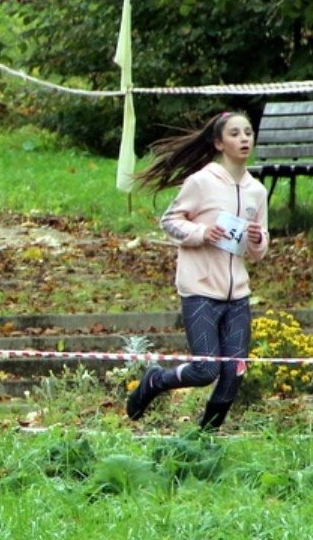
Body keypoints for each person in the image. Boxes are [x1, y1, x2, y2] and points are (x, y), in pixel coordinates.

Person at [125, 111, 270, 431]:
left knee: (234, 374)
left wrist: (259, 239)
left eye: (248, 132)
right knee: (206, 370)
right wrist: (202, 234)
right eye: (235, 134)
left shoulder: (257, 191)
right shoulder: (201, 182)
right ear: (219, 142)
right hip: (201, 289)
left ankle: (205, 440)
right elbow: (169, 222)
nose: (244, 139)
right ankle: (156, 380)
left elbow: (257, 252)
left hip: (238, 295)